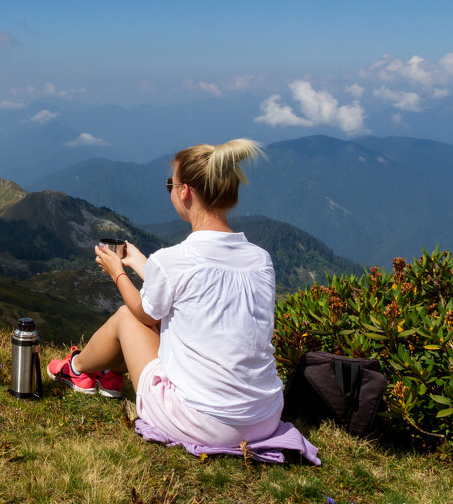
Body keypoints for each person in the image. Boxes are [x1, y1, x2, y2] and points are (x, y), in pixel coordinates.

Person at [46, 139, 284, 446]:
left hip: (205, 422)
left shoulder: (175, 260)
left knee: (127, 318)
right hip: (265, 417)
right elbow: (201, 293)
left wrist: (117, 272)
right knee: (159, 320)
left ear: (185, 191)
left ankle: (76, 368)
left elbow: (145, 312)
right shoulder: (260, 259)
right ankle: (106, 374)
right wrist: (145, 265)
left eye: (170, 183)